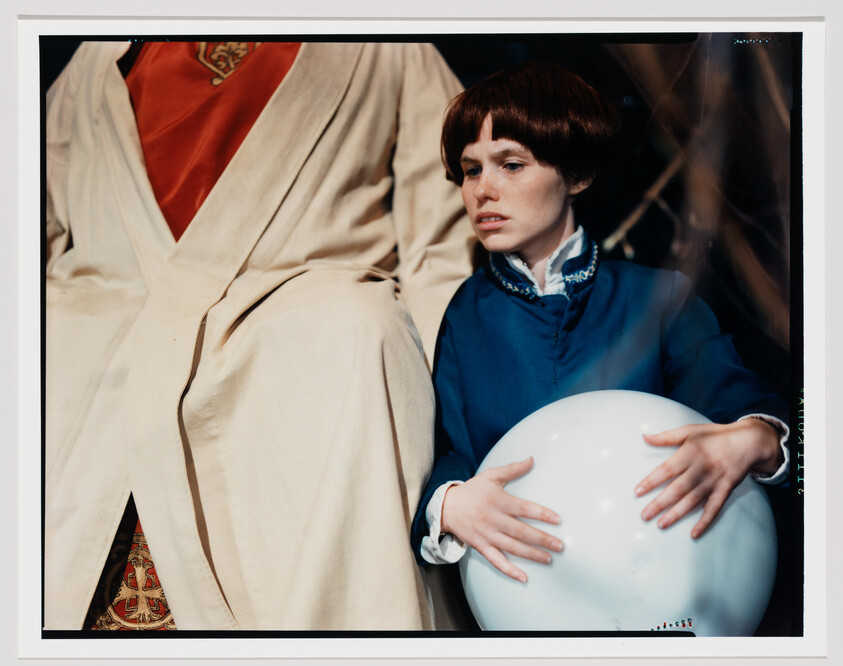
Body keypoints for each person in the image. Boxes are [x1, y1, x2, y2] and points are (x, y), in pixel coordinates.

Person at [44, 41, 475, 630]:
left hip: (297, 300)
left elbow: (441, 250)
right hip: (109, 306)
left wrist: (456, 420)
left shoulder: (388, 46)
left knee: (358, 329)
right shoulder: (100, 56)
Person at [409, 61, 789, 592]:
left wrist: (755, 438)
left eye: (511, 164)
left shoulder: (660, 297)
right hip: (526, 593)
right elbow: (451, 452)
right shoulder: (464, 314)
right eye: (471, 170)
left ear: (577, 176)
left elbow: (755, 412)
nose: (483, 190)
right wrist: (449, 503)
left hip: (671, 579)